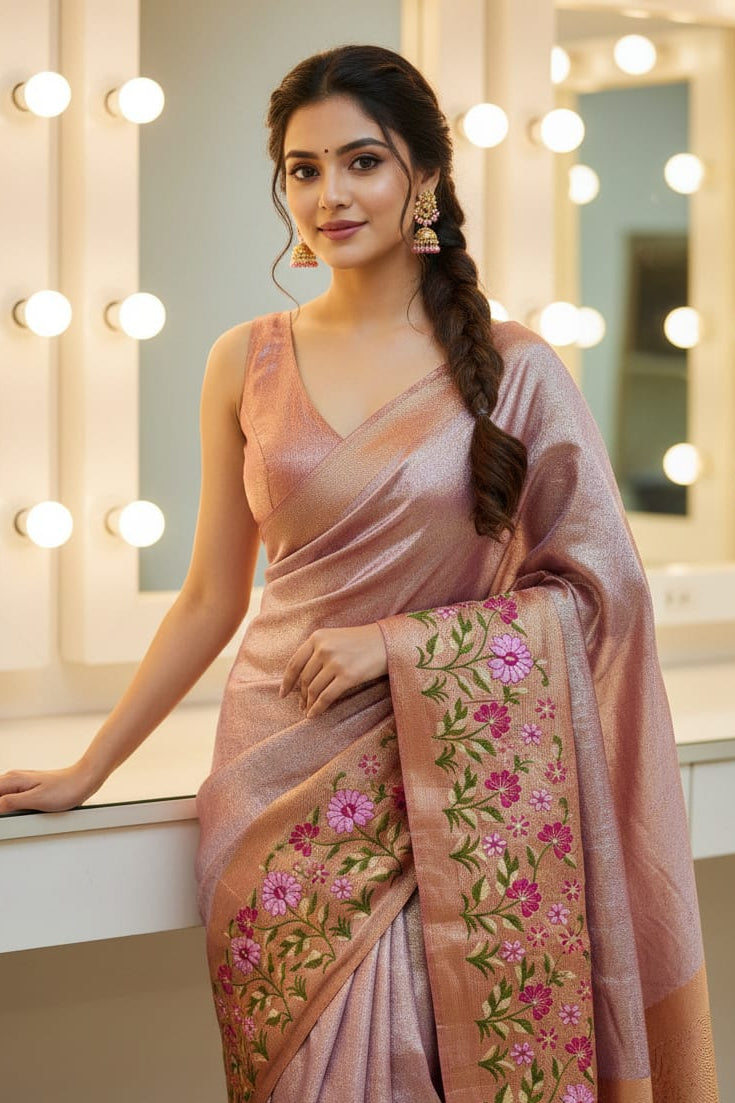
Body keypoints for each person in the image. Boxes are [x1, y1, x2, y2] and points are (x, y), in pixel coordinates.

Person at [0, 44, 718, 1103]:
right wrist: (89, 766)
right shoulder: (244, 359)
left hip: (459, 789)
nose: (328, 194)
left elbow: (601, 592)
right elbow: (209, 596)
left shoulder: (514, 369)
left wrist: (395, 645)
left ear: (423, 176)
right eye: (302, 169)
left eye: (361, 161)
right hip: (273, 783)